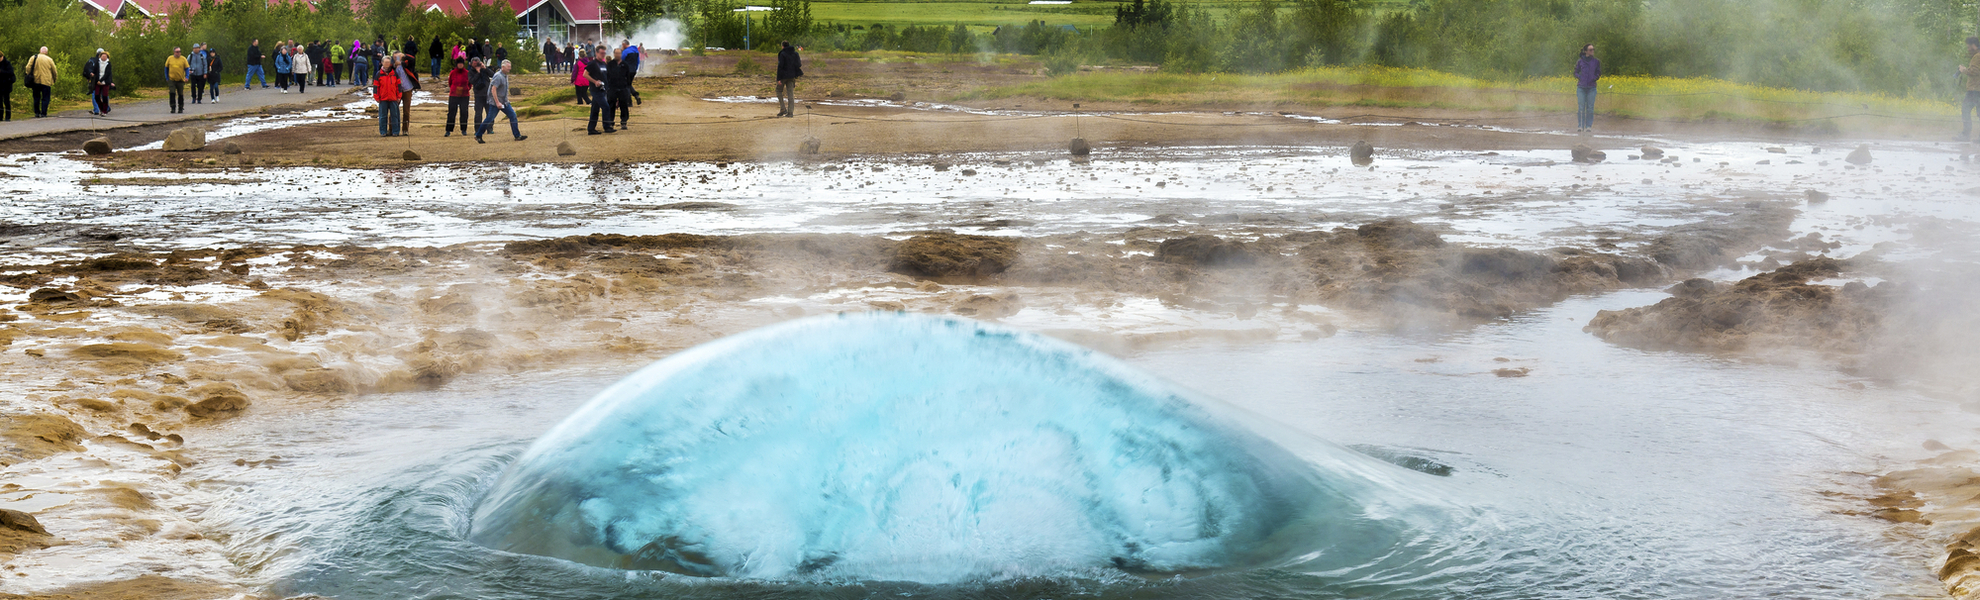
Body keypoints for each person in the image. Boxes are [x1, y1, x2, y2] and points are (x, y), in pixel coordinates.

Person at [477, 59, 527, 142]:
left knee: (513, 116)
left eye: (510, 67)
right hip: (495, 103)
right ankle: (478, 135)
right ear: (503, 67)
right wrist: (497, 102)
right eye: (508, 67)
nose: (509, 69)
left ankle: (517, 136)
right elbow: (493, 89)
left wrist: (505, 101)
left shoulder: (505, 75)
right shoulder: (498, 76)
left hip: (504, 102)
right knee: (489, 119)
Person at [586, 47, 613, 134]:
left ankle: (591, 128)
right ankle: (607, 127)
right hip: (595, 90)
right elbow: (585, 74)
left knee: (595, 109)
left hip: (603, 89)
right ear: (596, 53)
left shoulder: (604, 64)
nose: (603, 55)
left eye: (604, 53)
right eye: (601, 53)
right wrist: (595, 81)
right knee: (605, 107)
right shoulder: (592, 64)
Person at [1574, 43, 1599, 133]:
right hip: (1581, 87)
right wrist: (1581, 77)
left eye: (1593, 49)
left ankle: (1588, 126)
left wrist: (1594, 78)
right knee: (1581, 107)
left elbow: (1598, 73)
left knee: (1590, 107)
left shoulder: (1596, 61)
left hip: (1592, 87)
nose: (1592, 51)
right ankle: (1580, 125)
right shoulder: (1580, 61)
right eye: (1590, 50)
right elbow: (1575, 72)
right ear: (1585, 51)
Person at [775, 41, 802, 118]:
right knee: (790, 94)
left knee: (778, 90)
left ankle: (783, 108)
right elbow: (799, 64)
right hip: (792, 76)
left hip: (783, 76)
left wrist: (778, 79)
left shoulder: (782, 54)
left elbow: (780, 66)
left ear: (782, 46)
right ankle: (790, 112)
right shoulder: (795, 54)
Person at [375, 57, 401, 137]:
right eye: (385, 62)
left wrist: (399, 96)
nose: (387, 64)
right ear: (382, 63)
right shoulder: (378, 74)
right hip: (383, 98)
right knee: (383, 116)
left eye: (388, 62)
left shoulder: (395, 73)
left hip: (393, 98)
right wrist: (376, 97)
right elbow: (376, 87)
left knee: (395, 116)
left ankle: (395, 131)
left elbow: (399, 86)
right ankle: (383, 132)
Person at [25, 47, 53, 118]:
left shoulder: (33, 58)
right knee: (45, 98)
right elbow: (54, 71)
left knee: (36, 97)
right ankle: (44, 113)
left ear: (40, 51)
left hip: (35, 81)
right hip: (46, 81)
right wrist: (54, 79)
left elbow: (28, 67)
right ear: (46, 52)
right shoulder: (49, 59)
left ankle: (37, 112)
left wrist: (29, 74)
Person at [609, 48, 633, 128]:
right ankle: (610, 122)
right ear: (614, 54)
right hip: (612, 88)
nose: (617, 55)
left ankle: (624, 122)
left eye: (619, 53)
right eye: (616, 53)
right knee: (611, 105)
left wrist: (627, 86)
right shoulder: (610, 64)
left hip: (623, 88)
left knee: (624, 105)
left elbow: (628, 77)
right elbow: (607, 76)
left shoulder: (625, 65)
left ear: (621, 54)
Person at [445, 59, 470, 137]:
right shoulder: (452, 72)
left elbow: (470, 83)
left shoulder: (467, 73)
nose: (460, 65)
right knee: (451, 113)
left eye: (461, 63)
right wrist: (454, 89)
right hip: (453, 95)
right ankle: (448, 130)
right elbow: (450, 83)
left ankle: (464, 129)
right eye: (459, 63)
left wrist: (466, 89)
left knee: (464, 112)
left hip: (465, 95)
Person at [1962, 37, 1980, 141]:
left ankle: (1965, 134)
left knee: (1965, 109)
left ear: (1974, 45)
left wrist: (1964, 70)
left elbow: (1974, 71)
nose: (1968, 49)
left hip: (1975, 90)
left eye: (1969, 47)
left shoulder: (1977, 57)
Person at [395, 54, 418, 135]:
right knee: (394, 110)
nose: (397, 59)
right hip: (396, 91)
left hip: (407, 89)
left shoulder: (407, 65)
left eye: (398, 57)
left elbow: (412, 59)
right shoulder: (392, 67)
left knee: (406, 111)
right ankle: (393, 130)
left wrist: (404, 55)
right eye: (395, 57)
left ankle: (405, 130)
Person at [470, 57, 491, 132]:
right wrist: (478, 73)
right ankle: (477, 129)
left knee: (489, 112)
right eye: (474, 64)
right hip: (478, 95)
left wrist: (485, 68)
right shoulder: (471, 72)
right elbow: (472, 81)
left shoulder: (484, 70)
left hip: (487, 94)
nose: (476, 65)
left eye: (477, 63)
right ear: (471, 64)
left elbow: (492, 75)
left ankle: (490, 129)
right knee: (478, 113)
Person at [619, 41, 643, 106]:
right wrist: (636, 69)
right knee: (628, 84)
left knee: (626, 85)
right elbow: (638, 61)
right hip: (633, 70)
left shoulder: (625, 52)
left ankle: (629, 102)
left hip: (626, 71)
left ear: (624, 44)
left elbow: (621, 60)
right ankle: (636, 95)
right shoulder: (635, 51)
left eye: (622, 45)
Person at [166, 47, 188, 113]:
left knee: (180, 94)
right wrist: (167, 77)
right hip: (172, 79)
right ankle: (173, 107)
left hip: (180, 79)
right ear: (174, 52)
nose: (178, 53)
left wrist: (187, 76)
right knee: (172, 93)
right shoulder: (170, 58)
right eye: (177, 52)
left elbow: (187, 68)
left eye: (179, 51)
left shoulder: (183, 59)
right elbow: (166, 68)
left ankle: (180, 107)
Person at [0, 51, 14, 121]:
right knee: (0, 102)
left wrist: (2, 72)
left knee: (6, 101)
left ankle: (8, 117)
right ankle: (0, 116)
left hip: (6, 86)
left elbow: (11, 73)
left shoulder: (7, 63)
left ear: (2, 57)